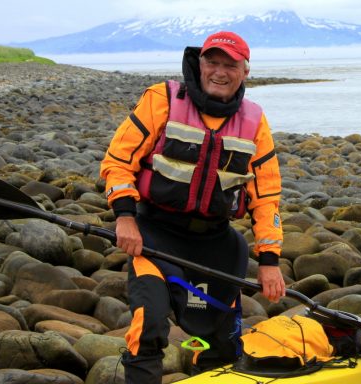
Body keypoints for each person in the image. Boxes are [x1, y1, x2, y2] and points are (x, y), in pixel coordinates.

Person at [99, 31, 285, 383]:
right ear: (199, 65)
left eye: (230, 65)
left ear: (245, 71)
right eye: (212, 62)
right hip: (155, 236)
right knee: (149, 323)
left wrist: (270, 262)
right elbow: (118, 162)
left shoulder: (254, 121)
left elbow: (266, 197)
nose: (220, 72)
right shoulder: (162, 99)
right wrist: (125, 217)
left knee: (223, 342)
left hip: (216, 246)